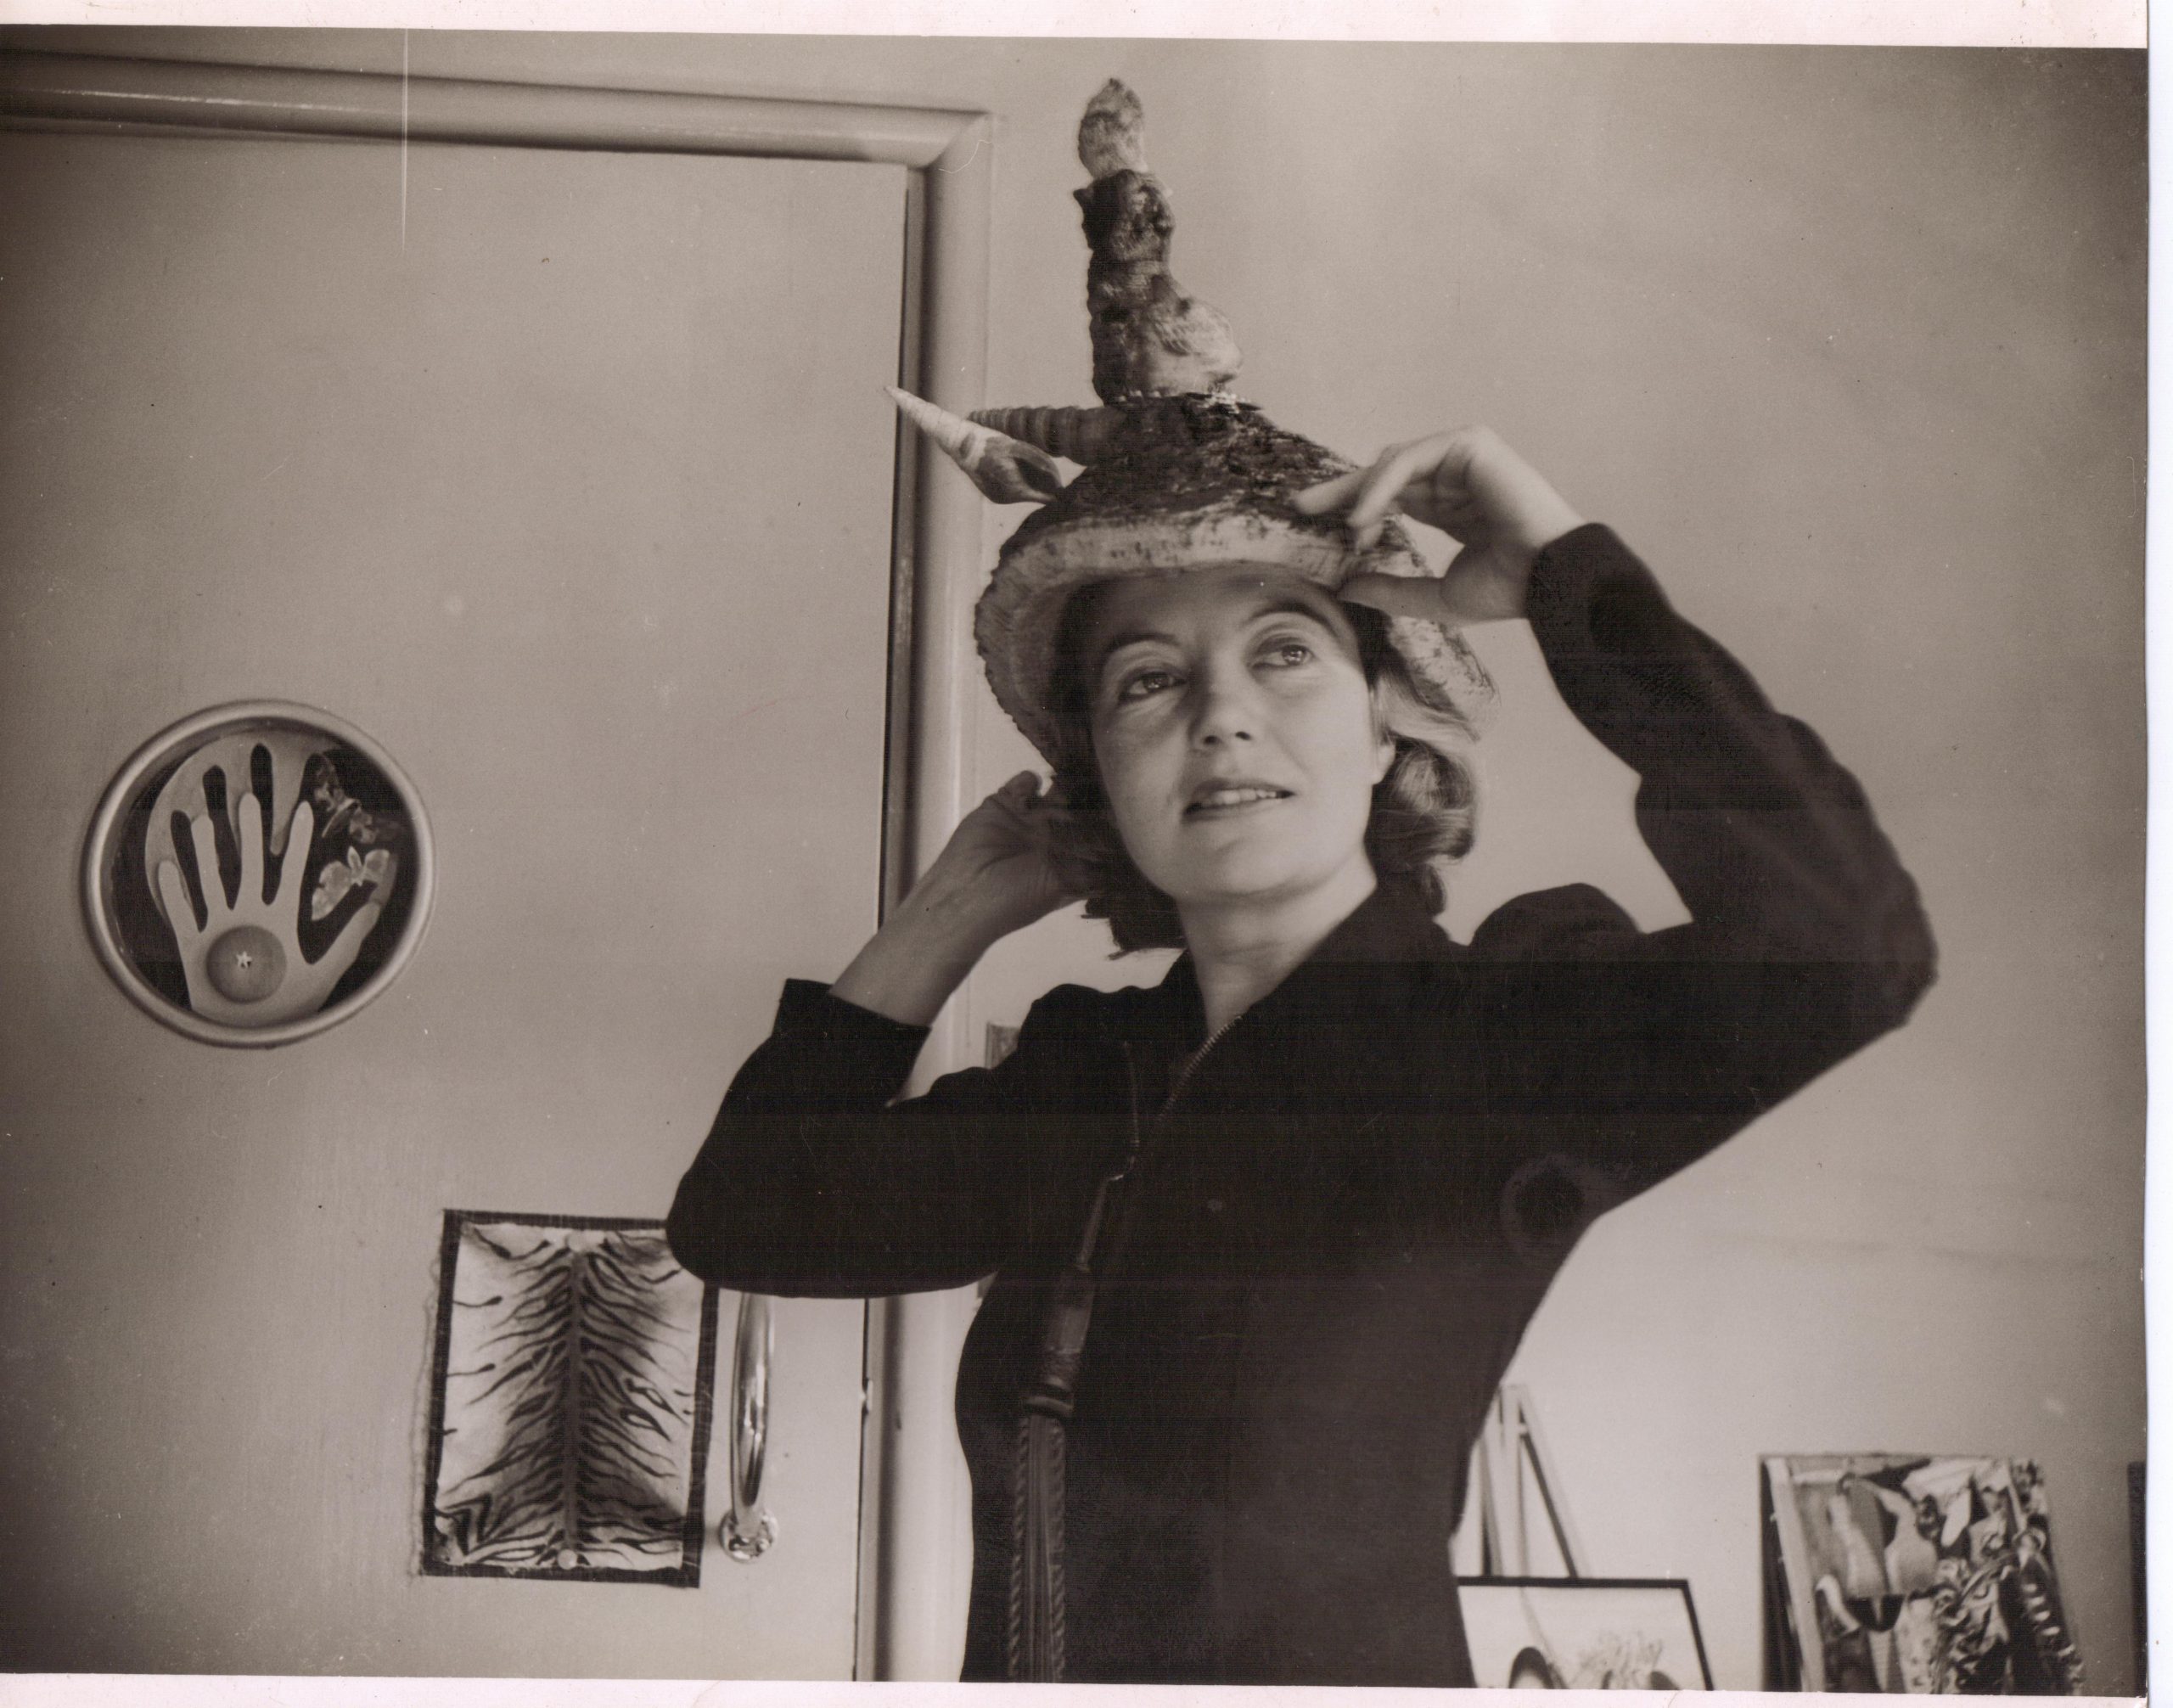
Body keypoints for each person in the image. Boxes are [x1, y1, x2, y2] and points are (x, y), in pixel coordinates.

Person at [665, 81, 1934, 1687]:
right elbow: (746, 1218)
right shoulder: (1087, 1076)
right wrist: (943, 921)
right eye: (1146, 680)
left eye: (1284, 652)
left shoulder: (1498, 1038)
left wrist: (1564, 571)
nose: (1220, 715)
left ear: (1386, 723)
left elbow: (1848, 942)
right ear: (1099, 765)